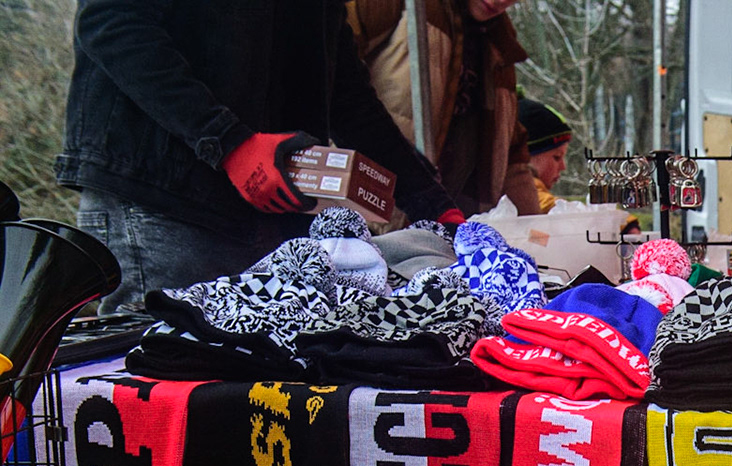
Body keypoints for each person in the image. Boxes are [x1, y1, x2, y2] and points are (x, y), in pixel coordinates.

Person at [59, 0, 462, 312]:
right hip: (163, 205)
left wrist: (434, 204)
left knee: (259, 403)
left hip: (274, 214)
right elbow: (112, 24)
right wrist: (228, 142)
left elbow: (347, 94)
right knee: (165, 386)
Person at [351, 0, 546, 216]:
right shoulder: (405, 6)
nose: (501, 1)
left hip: (453, 224)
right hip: (372, 214)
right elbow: (330, 70)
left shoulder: (502, 44)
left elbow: (511, 156)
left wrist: (537, 235)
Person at [515, 99, 573, 214]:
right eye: (556, 157)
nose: (563, 167)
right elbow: (551, 207)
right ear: (526, 157)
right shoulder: (523, 192)